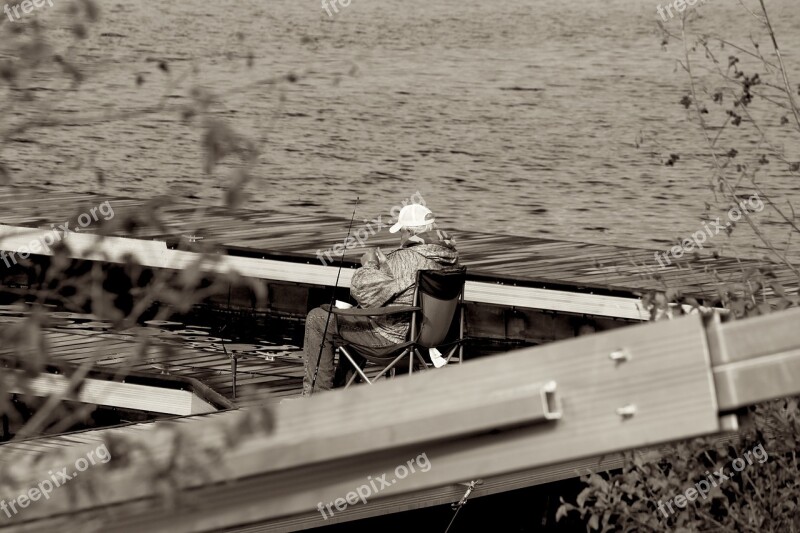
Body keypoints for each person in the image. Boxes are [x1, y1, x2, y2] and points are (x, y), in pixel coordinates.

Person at [302, 203, 459, 395]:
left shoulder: (404, 259)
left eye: (401, 231)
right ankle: (345, 388)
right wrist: (386, 266)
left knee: (318, 319)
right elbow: (406, 281)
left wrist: (368, 265)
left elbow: (364, 293)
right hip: (433, 343)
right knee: (356, 317)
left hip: (396, 343)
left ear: (409, 232)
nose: (401, 236)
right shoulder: (448, 260)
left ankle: (316, 399)